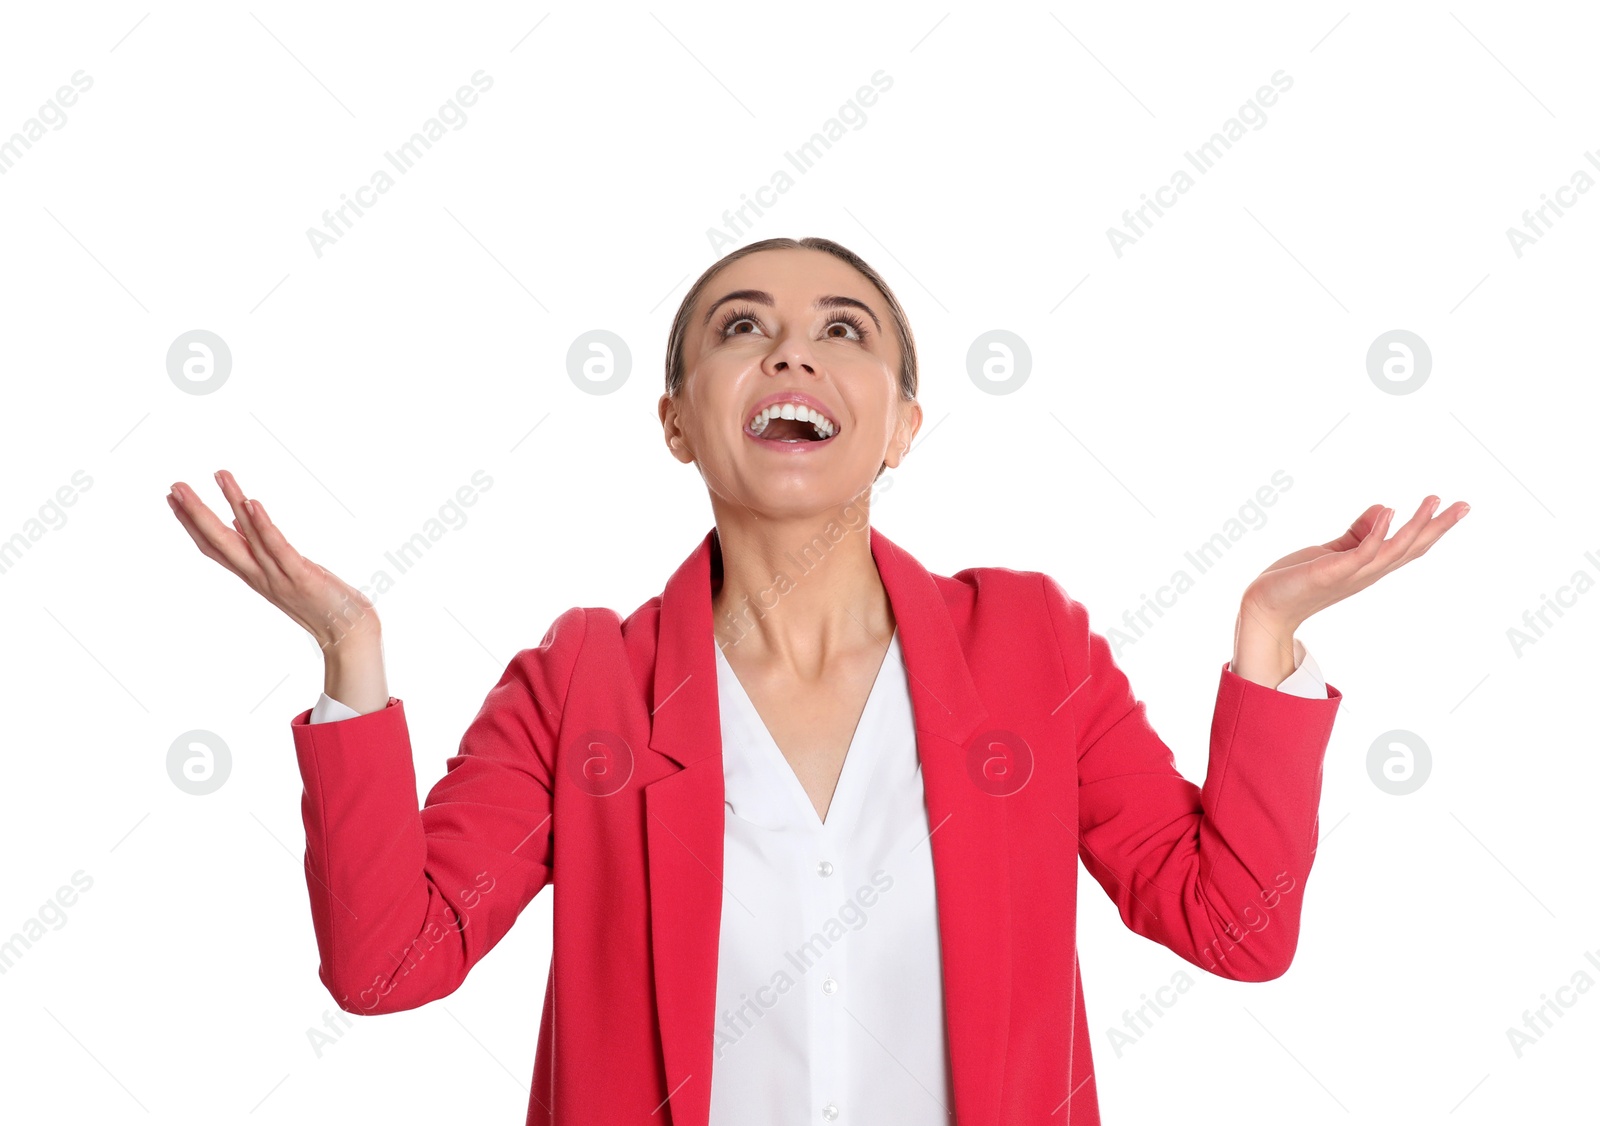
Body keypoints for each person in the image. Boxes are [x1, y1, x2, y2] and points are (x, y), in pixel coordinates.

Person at [164, 236, 1468, 1126]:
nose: (793, 354)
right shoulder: (584, 681)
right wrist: (352, 663)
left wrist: (1268, 640)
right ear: (678, 418)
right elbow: (391, 961)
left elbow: (1233, 931)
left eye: (842, 331)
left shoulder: (1030, 646)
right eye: (744, 330)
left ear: (902, 422)